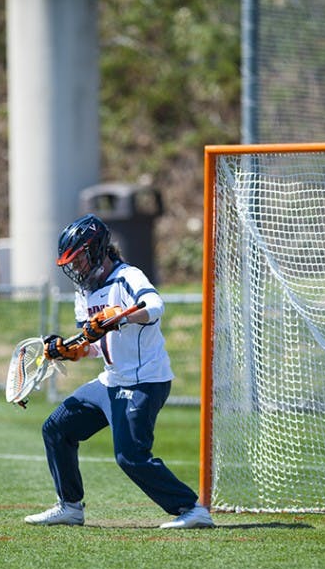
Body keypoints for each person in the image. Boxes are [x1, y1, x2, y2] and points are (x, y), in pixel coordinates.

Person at [24, 214, 214, 529]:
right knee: (56, 428)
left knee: (131, 457)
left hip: (144, 381)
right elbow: (94, 344)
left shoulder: (128, 277)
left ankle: (192, 509)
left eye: (79, 259)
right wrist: (71, 350)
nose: (77, 268)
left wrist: (120, 318)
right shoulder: (83, 292)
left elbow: (154, 307)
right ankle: (70, 506)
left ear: (96, 250)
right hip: (111, 381)